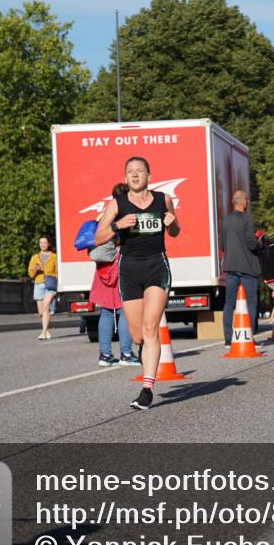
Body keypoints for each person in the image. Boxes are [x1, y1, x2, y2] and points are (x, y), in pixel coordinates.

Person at [95, 156, 180, 410]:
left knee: (151, 327)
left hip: (156, 265)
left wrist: (173, 224)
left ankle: (147, 388)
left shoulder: (162, 199)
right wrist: (117, 225)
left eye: (139, 171)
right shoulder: (116, 204)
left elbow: (175, 232)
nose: (135, 175)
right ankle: (148, 363)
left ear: (149, 176)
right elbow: (98, 237)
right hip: (129, 268)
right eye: (130, 172)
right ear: (125, 177)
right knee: (136, 335)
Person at [89, 202, 138, 367]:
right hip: (119, 269)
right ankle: (126, 353)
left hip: (103, 270)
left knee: (107, 312)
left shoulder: (102, 218)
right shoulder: (121, 214)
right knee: (125, 311)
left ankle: (105, 354)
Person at [220, 190, 265, 346]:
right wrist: (260, 241)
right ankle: (249, 336)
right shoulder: (246, 220)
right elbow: (251, 244)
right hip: (247, 268)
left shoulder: (225, 220)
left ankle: (227, 338)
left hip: (230, 267)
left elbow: (222, 245)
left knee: (229, 303)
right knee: (251, 302)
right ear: (245, 202)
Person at [27, 236, 58, 341]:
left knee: (46, 307)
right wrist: (36, 270)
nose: (43, 245)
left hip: (50, 284)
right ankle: (47, 329)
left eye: (45, 243)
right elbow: (30, 274)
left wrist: (57, 282)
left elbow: (58, 271)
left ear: (49, 244)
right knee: (41, 312)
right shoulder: (35, 257)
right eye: (41, 243)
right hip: (38, 284)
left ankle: (43, 332)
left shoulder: (54, 257)